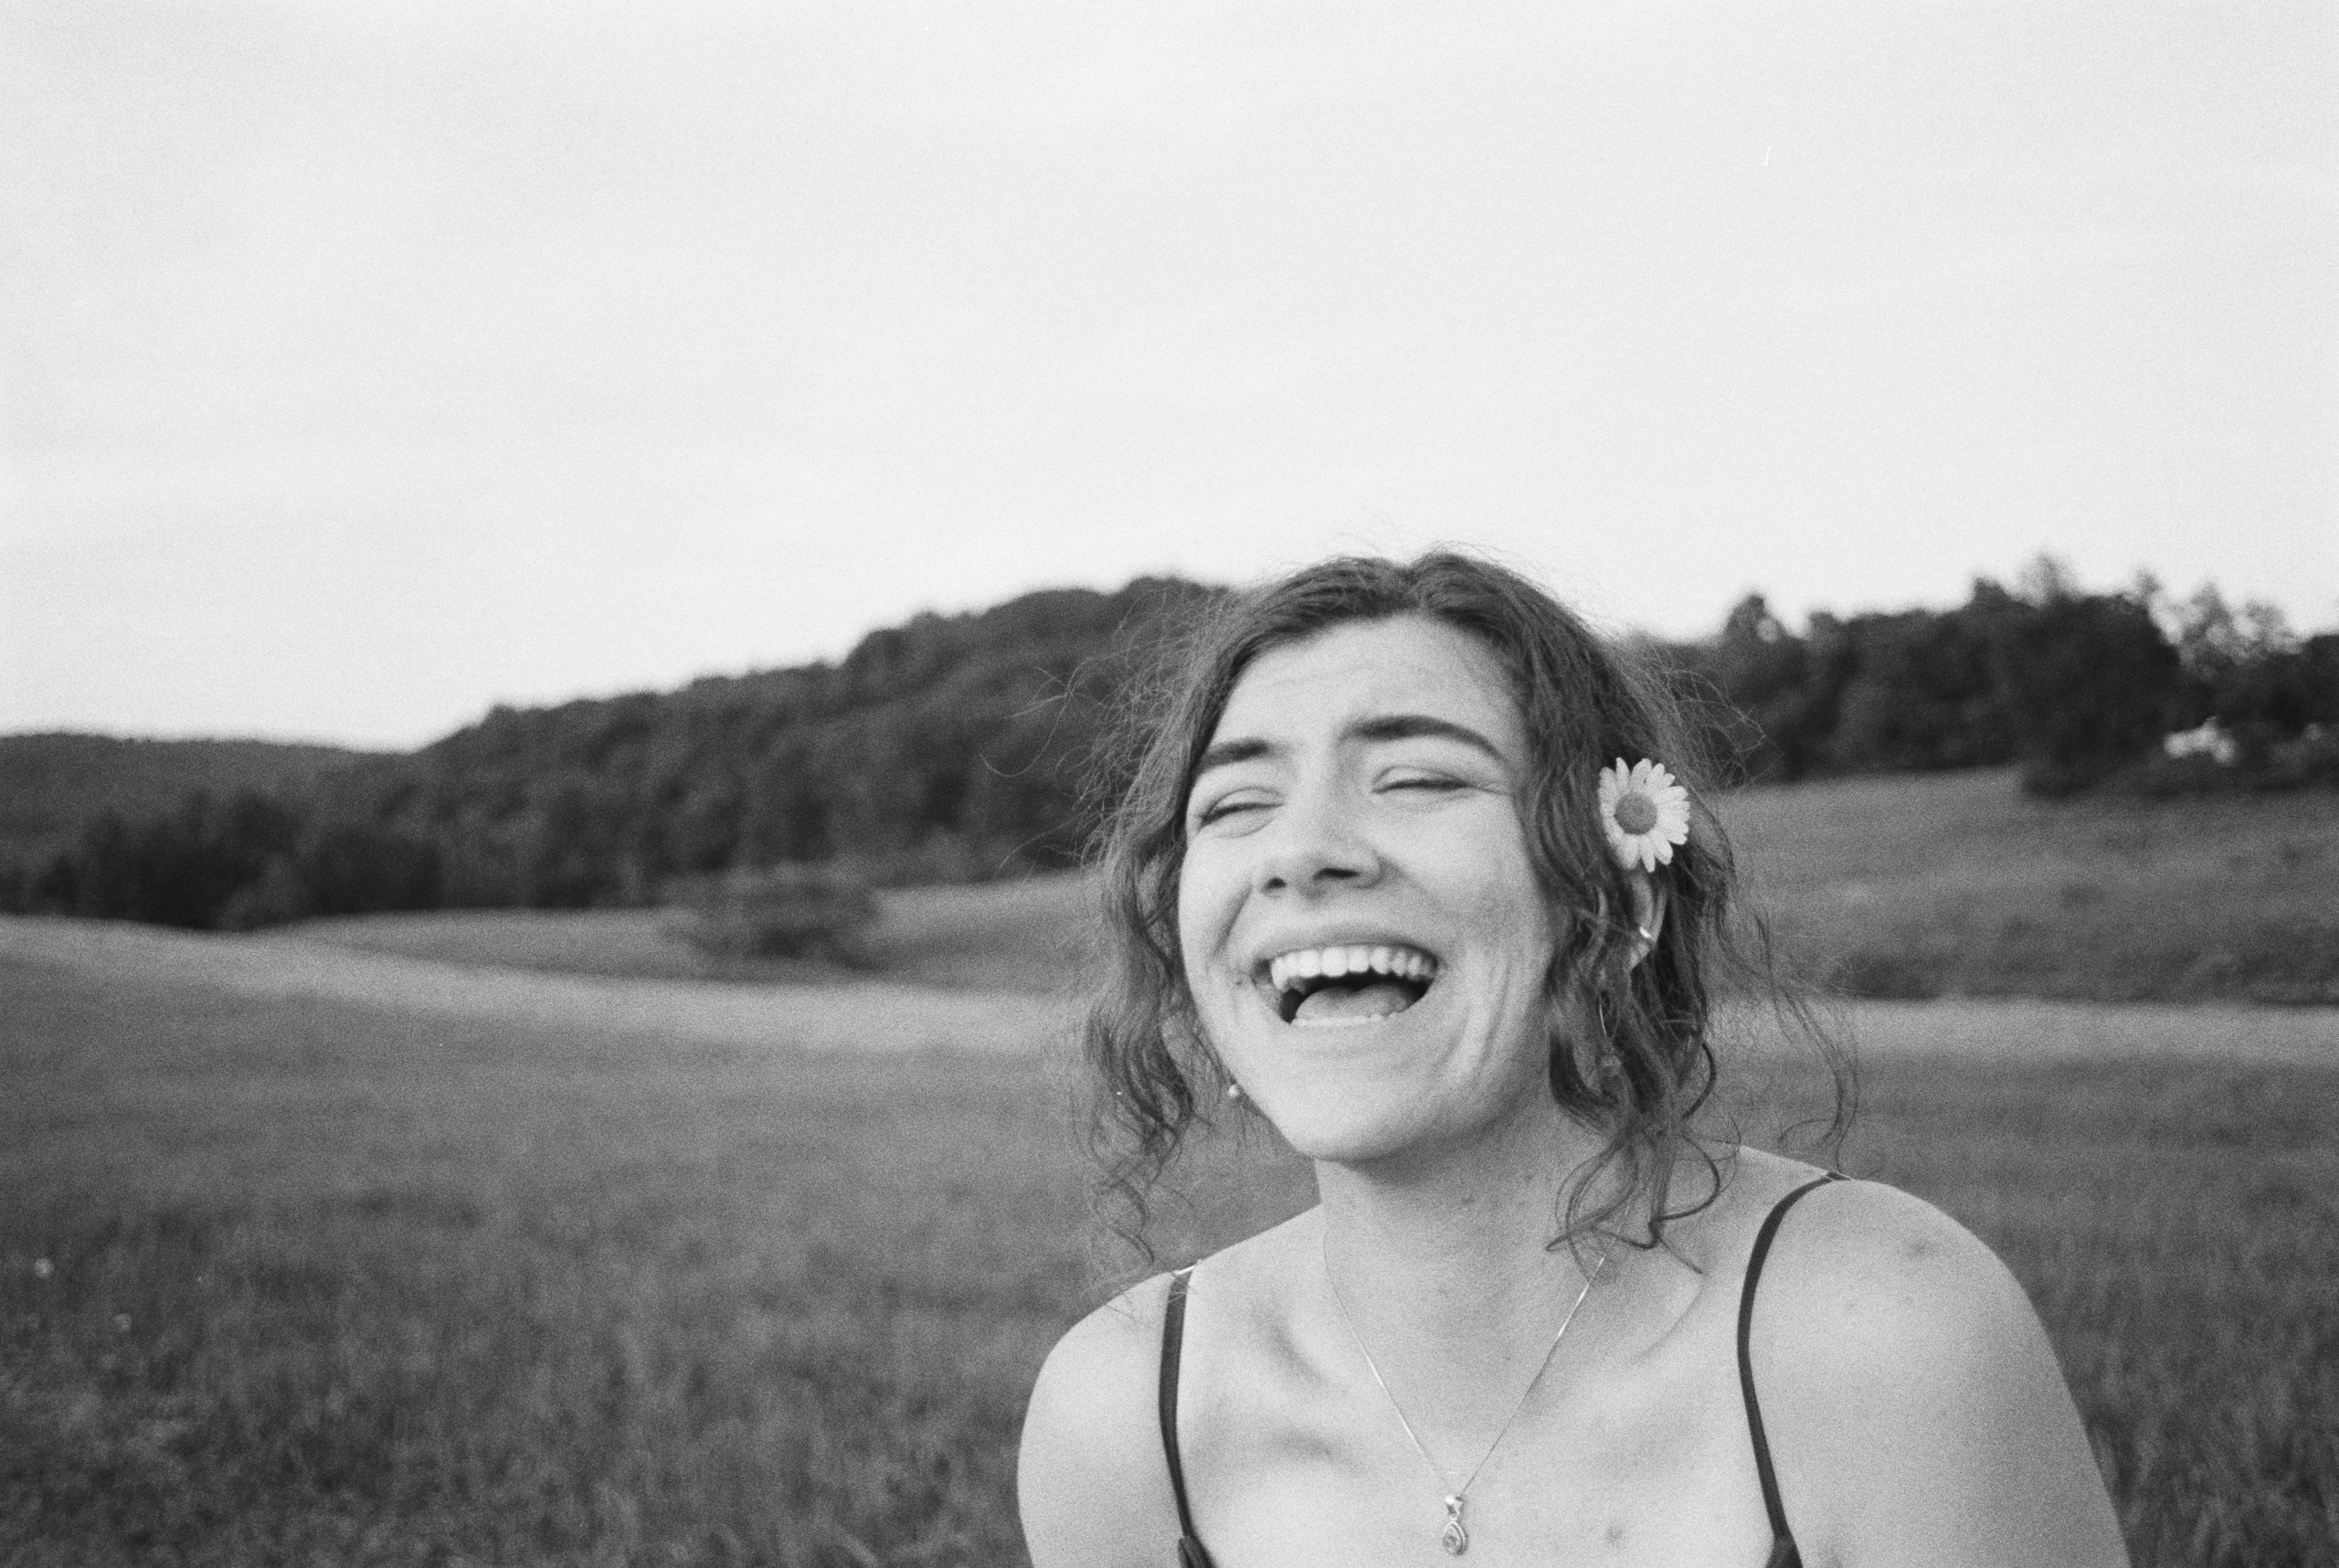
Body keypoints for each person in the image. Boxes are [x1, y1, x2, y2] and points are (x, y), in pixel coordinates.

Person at [1018, 553, 2129, 1567]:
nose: (1300, 852)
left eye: (1417, 779)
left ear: (1616, 906)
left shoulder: (1884, 1335)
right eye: (1238, 802)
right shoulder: (1124, 1423)